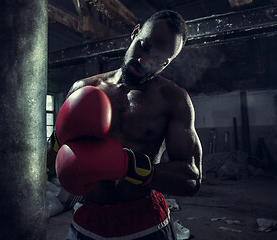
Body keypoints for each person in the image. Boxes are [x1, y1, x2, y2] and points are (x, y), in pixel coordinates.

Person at [47, 10, 202, 240]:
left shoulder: (174, 100)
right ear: (135, 32)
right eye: (145, 46)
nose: (145, 61)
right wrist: (58, 145)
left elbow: (192, 178)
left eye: (160, 60)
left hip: (145, 222)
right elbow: (50, 164)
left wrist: (127, 164)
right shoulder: (83, 88)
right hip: (89, 219)